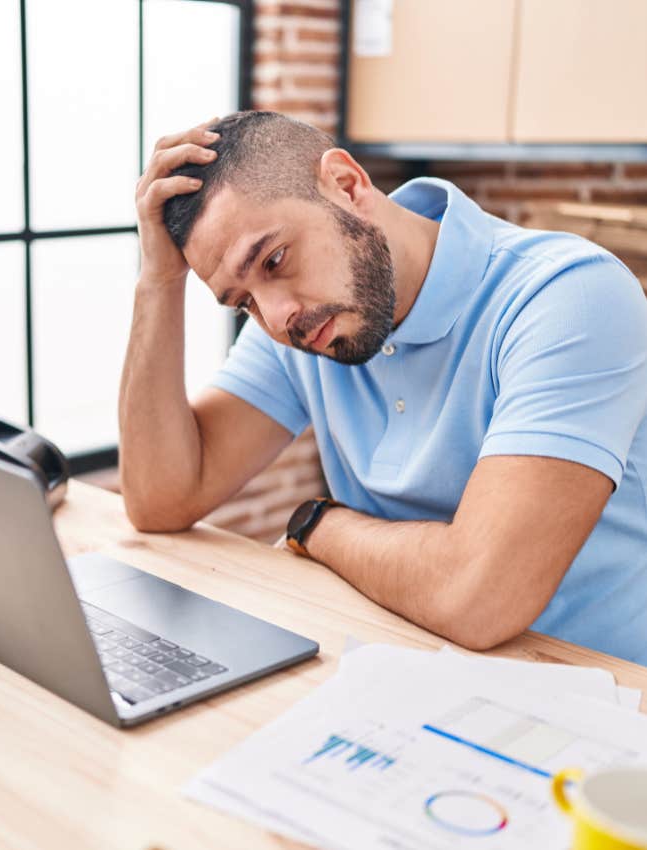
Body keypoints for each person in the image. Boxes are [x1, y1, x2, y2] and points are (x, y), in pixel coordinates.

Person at [118, 110, 647, 663]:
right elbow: (160, 498)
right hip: (403, 667)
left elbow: (477, 597)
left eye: (274, 259)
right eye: (242, 302)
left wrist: (316, 524)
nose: (277, 318)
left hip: (595, 699)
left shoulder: (568, 298)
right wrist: (158, 280)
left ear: (347, 186)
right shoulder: (304, 321)